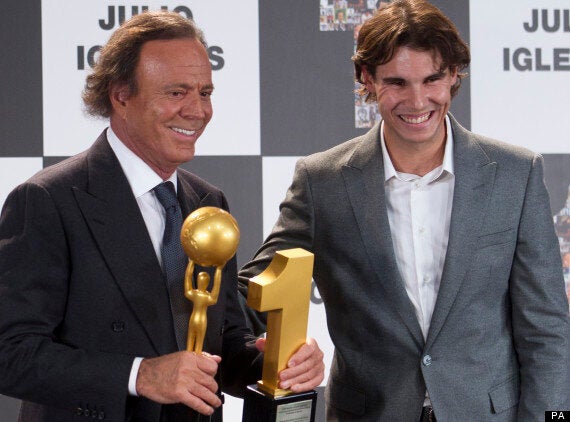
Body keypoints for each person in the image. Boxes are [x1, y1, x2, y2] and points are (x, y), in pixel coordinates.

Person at [239, 1, 570, 420]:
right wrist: (246, 341)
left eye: (432, 79)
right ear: (368, 80)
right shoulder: (322, 181)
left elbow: (547, 327)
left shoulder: (515, 174)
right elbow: (256, 288)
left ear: (453, 76)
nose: (417, 102)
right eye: (397, 82)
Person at [0, 11, 324, 422]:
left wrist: (276, 364)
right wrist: (139, 375)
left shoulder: (208, 201)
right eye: (176, 93)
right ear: (121, 95)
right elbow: (11, 354)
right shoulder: (48, 201)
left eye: (205, 93)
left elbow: (222, 344)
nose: (198, 111)